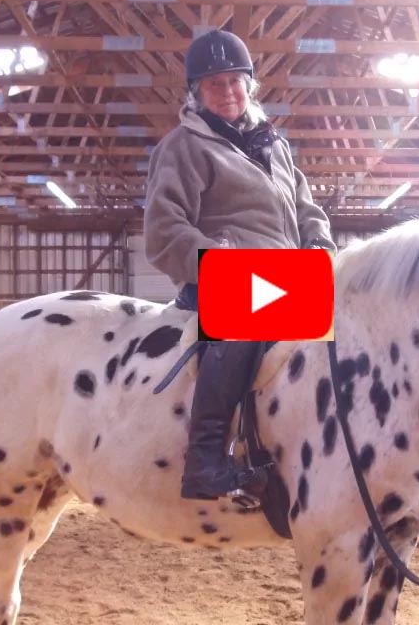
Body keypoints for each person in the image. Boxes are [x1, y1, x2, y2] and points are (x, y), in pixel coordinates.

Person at [143, 29, 336, 502]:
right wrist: (226, 264)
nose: (227, 92)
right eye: (214, 84)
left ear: (251, 84)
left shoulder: (275, 146)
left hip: (290, 279)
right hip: (220, 278)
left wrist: (321, 251)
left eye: (235, 81)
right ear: (196, 92)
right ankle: (206, 458)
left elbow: (308, 212)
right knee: (248, 318)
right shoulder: (183, 147)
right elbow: (164, 231)